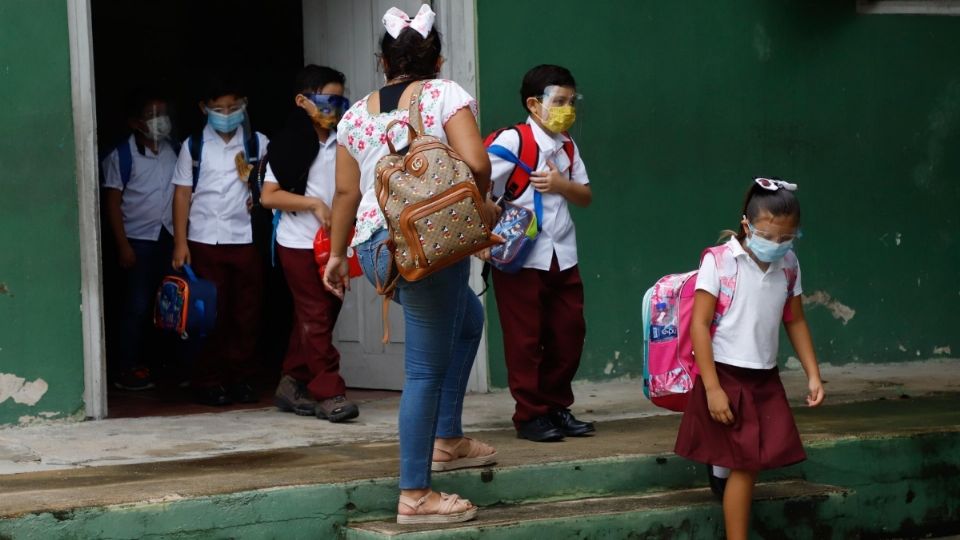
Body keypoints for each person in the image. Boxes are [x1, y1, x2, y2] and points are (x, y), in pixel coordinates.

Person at [323, 5, 497, 524]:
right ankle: (415, 494)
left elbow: (345, 192)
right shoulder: (445, 94)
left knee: (468, 320)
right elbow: (479, 162)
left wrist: (335, 255)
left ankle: (446, 438)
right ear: (437, 58)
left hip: (377, 248)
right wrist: (479, 210)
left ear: (383, 62)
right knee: (423, 369)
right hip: (426, 243)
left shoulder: (355, 115)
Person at [673, 178, 825, 540]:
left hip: (764, 378)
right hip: (725, 374)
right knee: (747, 465)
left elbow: (796, 319)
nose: (776, 245)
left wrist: (813, 374)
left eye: (786, 238)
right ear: (746, 225)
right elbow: (700, 325)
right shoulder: (720, 261)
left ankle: (719, 471)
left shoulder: (789, 264)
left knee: (743, 462)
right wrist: (711, 388)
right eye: (767, 235)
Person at [485, 65, 594, 442]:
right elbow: (474, 180)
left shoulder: (567, 146)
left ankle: (555, 406)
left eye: (570, 101)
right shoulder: (512, 141)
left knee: (569, 332)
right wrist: (483, 235)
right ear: (534, 104)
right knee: (525, 339)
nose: (567, 109)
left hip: (562, 253)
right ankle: (530, 415)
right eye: (558, 101)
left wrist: (560, 184)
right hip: (519, 257)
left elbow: (586, 196)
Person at [260, 65, 359, 422]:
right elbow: (269, 197)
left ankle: (292, 381)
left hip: (336, 245)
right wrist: (314, 205)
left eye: (340, 100)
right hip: (298, 244)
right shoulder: (287, 144)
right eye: (327, 100)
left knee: (321, 315)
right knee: (316, 316)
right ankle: (329, 392)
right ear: (302, 101)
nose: (335, 107)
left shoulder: (347, 140)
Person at [171, 76, 269, 406]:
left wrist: (260, 199)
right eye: (217, 109)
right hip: (202, 239)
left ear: (243, 106)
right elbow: (182, 193)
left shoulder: (258, 143)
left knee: (246, 313)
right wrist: (180, 243)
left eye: (232, 107)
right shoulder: (193, 145)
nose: (225, 114)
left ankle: (241, 377)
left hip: (245, 238)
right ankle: (209, 379)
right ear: (204, 109)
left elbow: (271, 188)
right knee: (210, 315)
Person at [101, 89, 179, 391]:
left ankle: (166, 365)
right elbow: (112, 203)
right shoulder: (121, 155)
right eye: (151, 116)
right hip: (138, 242)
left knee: (172, 306)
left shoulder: (177, 150)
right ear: (135, 123)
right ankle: (128, 368)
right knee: (136, 307)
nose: (160, 121)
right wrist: (122, 245)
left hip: (170, 239)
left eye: (164, 114)